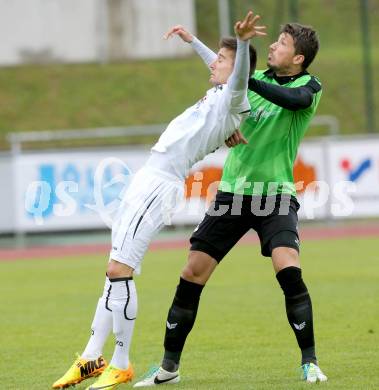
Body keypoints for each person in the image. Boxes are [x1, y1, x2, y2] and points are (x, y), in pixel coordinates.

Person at [52, 10, 266, 390]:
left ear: (238, 72)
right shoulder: (220, 91)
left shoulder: (234, 99)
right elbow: (222, 68)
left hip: (160, 184)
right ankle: (89, 358)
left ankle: (120, 362)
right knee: (112, 270)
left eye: (222, 59)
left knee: (121, 269)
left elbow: (237, 76)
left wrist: (245, 42)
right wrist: (191, 40)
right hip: (148, 175)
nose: (213, 63)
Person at [134, 22, 327, 387]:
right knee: (192, 272)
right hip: (233, 195)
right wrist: (195, 44)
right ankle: (168, 369)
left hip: (275, 195)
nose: (272, 46)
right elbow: (223, 68)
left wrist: (242, 82)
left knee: (288, 268)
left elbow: (289, 100)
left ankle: (310, 362)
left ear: (298, 58)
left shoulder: (309, 86)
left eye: (282, 44)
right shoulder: (251, 78)